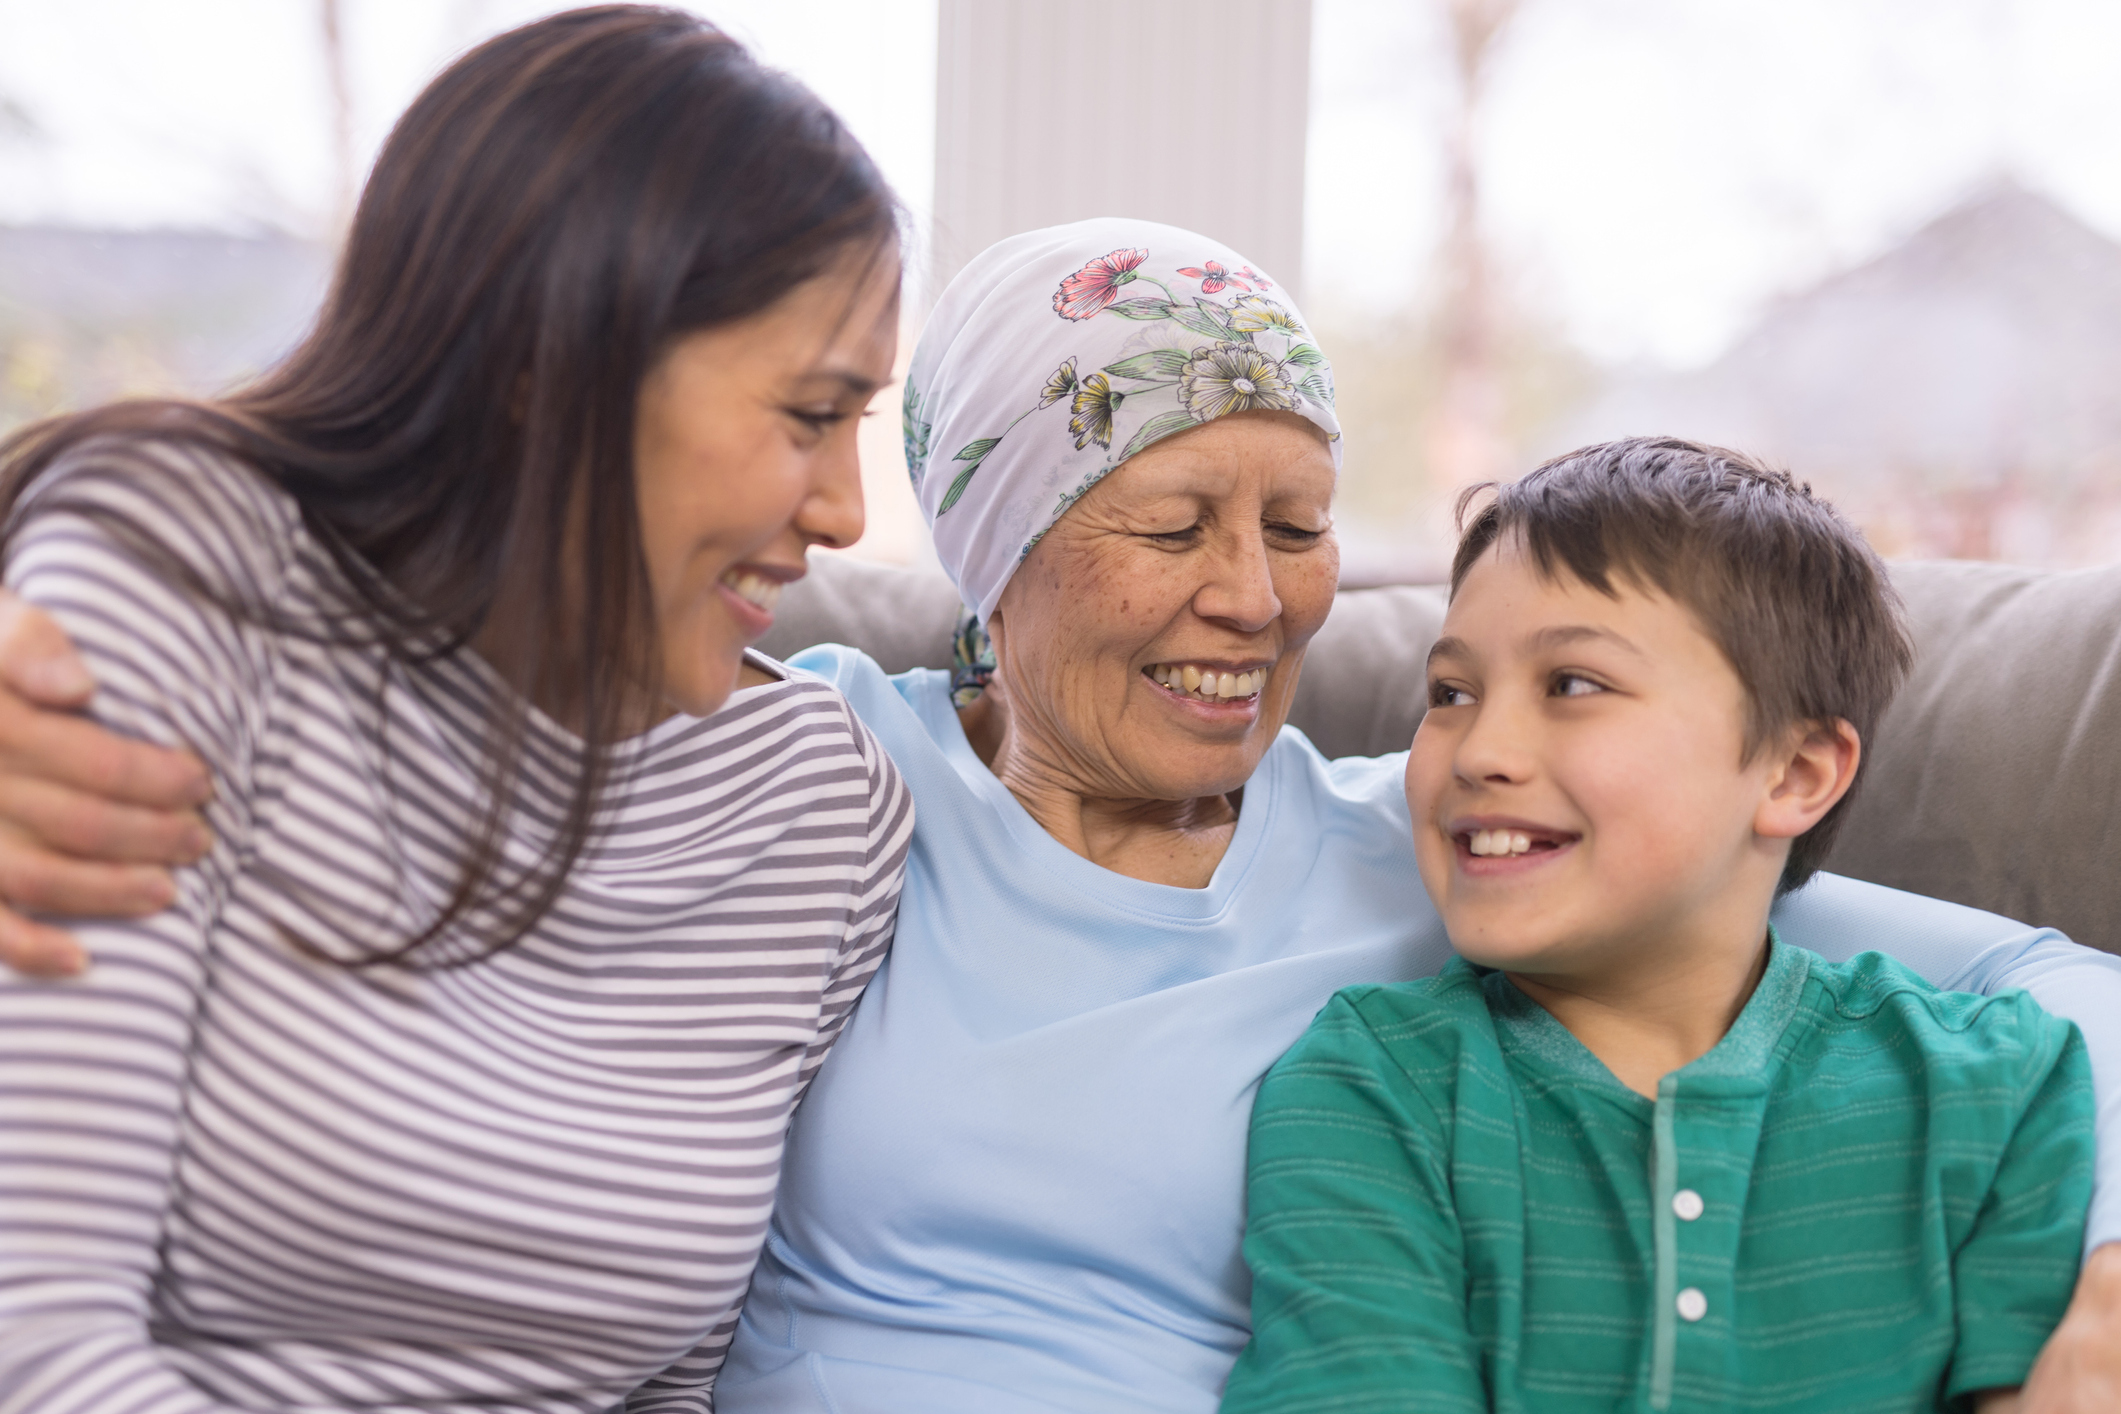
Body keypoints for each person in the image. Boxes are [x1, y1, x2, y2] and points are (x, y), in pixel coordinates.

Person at [3, 223, 2120, 1413]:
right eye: (1169, 521)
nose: (1251, 593)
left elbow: (2014, 982)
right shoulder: (802, 757)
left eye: (1296, 525)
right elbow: (358, 728)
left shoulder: (1452, 840)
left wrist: (2086, 1262)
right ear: (992, 557)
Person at [0, 9, 912, 1413]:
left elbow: (672, 1383)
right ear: (552, 366)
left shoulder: (819, 804)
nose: (847, 512)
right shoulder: (186, 579)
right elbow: (37, 1343)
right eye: (808, 415)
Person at [1221, 440, 2093, 1414]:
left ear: (1795, 773)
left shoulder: (1999, 1083)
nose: (1483, 750)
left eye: (1574, 684)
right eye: (1451, 693)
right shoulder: (1372, 1087)